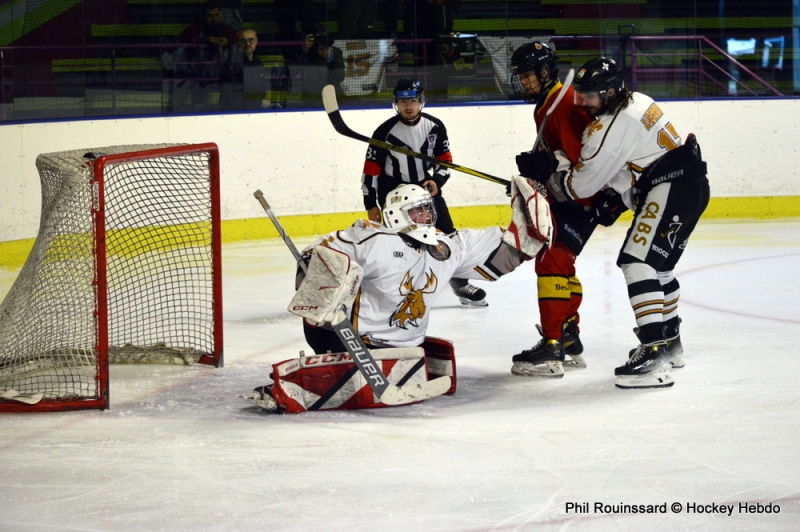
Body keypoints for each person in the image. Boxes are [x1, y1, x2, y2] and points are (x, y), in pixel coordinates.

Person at [244, 181, 551, 412]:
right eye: (417, 210)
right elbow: (318, 258)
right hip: (347, 339)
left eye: (428, 208)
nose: (427, 216)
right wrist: (318, 276)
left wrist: (526, 230)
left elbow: (505, 255)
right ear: (396, 214)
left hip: (406, 347)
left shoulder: (448, 247)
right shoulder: (372, 239)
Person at [541, 57, 710, 389]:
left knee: (636, 261)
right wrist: (619, 197)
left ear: (611, 92)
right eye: (580, 95)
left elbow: (581, 185)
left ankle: (654, 351)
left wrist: (549, 171)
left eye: (590, 96)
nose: (583, 103)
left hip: (670, 188)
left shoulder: (610, 125)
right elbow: (638, 160)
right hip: (691, 186)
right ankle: (670, 340)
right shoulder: (638, 102)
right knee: (659, 268)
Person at [507, 42, 607, 379]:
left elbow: (586, 157)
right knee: (559, 261)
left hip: (585, 196)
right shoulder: (546, 105)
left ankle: (552, 345)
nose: (522, 81)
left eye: (527, 75)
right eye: (520, 76)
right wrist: (539, 172)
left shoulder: (563, 103)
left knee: (553, 260)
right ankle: (568, 334)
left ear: (546, 71)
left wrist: (549, 163)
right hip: (570, 195)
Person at [361, 78, 488, 306]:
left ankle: (459, 282)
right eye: (402, 102)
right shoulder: (384, 132)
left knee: (448, 235)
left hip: (425, 189)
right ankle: (395, 289)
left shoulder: (435, 127)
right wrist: (370, 204)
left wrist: (437, 180)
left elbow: (445, 162)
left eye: (412, 100)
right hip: (394, 194)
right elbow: (371, 172)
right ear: (395, 104)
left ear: (421, 101)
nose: (407, 106)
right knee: (398, 244)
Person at [287, 22, 345, 107]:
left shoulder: (335, 52)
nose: (318, 39)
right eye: (315, 36)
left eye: (321, 35)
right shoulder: (304, 52)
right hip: (311, 99)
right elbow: (291, 72)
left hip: (332, 97)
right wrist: (304, 50)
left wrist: (329, 59)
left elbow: (340, 77)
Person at [219, 28, 276, 111]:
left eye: (251, 40)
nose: (247, 44)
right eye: (242, 41)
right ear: (236, 42)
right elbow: (227, 96)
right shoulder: (230, 65)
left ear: (256, 41)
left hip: (256, 112)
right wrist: (258, 102)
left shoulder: (258, 63)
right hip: (236, 113)